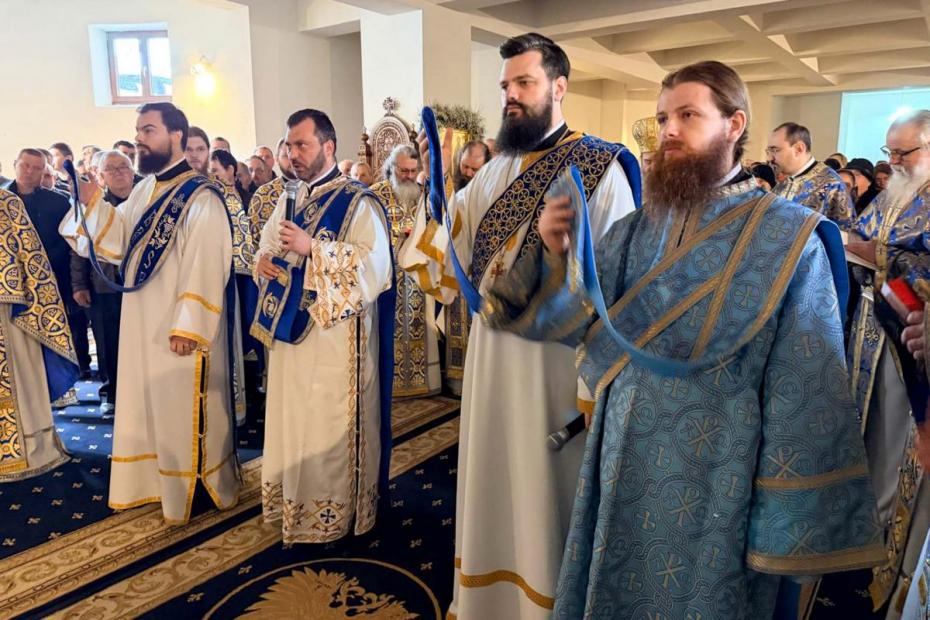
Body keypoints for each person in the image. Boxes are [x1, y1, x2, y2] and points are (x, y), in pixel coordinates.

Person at [481, 58, 883, 619]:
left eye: (688, 116)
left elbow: (803, 386)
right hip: (624, 453)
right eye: (663, 117)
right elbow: (575, 319)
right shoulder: (635, 229)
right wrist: (555, 251)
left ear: (734, 125)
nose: (668, 130)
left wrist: (781, 522)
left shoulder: (789, 238)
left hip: (719, 471)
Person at [399, 33, 637, 618]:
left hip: (554, 370)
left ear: (559, 87)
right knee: (494, 479)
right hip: (491, 361)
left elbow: (619, 285)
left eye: (524, 83)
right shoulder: (495, 170)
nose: (511, 95)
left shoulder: (600, 168)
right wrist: (434, 188)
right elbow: (450, 261)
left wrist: (595, 387)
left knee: (544, 490)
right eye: (506, 85)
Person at [60, 102, 242, 524]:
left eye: (148, 130)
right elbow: (118, 239)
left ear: (176, 135)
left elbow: (207, 262)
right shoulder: (144, 190)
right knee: (148, 404)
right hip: (142, 318)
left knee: (180, 406)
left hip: (178, 326)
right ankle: (157, 482)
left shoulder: (201, 196)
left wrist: (189, 325)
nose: (139, 138)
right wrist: (91, 204)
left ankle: (194, 487)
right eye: (138, 130)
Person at [252, 108, 394, 544]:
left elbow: (376, 269)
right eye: (289, 145)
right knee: (291, 417)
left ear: (328, 147)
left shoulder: (359, 202)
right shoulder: (288, 197)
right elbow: (268, 246)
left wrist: (313, 247)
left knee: (324, 422)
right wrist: (262, 262)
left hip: (334, 341)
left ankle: (335, 513)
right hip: (289, 335)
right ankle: (292, 505)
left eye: (303, 145)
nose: (293, 153)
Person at [843, 109, 930, 617]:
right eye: (889, 152)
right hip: (868, 333)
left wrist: (880, 258)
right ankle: (859, 538)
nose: (893, 162)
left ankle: (888, 557)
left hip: (909, 345)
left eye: (904, 152)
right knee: (867, 434)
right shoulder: (894, 193)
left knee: (895, 445)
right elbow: (862, 235)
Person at [0, 188, 78, 481]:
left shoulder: (7, 203)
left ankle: (30, 448)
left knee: (18, 377)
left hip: (8, 312)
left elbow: (32, 262)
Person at [8, 148, 91, 381]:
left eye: (37, 168)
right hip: (13, 285)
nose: (30, 171)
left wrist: (77, 285)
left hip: (54, 282)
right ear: (15, 165)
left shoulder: (58, 203)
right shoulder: (3, 201)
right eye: (25, 165)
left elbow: (74, 246)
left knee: (57, 338)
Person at [370, 145, 441, 399]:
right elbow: (368, 236)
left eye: (413, 171)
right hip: (387, 279)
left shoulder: (423, 195)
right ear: (392, 168)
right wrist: (398, 237)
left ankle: (422, 382)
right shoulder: (374, 195)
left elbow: (434, 229)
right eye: (403, 171)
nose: (409, 176)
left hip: (417, 279)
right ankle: (390, 384)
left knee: (420, 326)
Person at [70, 150, 135, 413]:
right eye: (111, 168)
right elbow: (79, 249)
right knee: (108, 343)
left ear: (133, 171)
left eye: (123, 167)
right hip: (103, 284)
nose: (119, 172)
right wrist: (79, 285)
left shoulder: (146, 201)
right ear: (101, 175)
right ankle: (111, 393)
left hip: (140, 287)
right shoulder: (94, 205)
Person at [210, 149, 254, 414]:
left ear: (230, 171)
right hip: (220, 275)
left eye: (216, 170)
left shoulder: (235, 199)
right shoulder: (213, 198)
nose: (212, 176)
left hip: (239, 276)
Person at [766, 122, 855, 229]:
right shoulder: (784, 182)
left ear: (799, 149)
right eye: (768, 152)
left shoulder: (833, 185)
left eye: (775, 150)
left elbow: (843, 234)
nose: (769, 158)